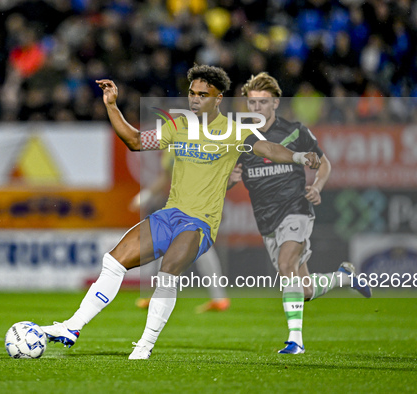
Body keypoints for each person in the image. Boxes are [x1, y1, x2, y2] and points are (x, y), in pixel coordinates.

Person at [40, 65, 320, 360]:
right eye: (191, 93)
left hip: (200, 223)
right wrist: (112, 106)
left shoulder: (236, 132)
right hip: (169, 214)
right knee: (113, 260)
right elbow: (135, 141)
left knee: (168, 272)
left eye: (203, 94)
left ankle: (144, 346)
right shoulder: (178, 127)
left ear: (218, 98)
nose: (195, 99)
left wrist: (300, 156)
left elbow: (269, 149)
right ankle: (72, 327)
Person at [229, 72, 371, 355]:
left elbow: (324, 163)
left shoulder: (295, 131)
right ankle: (345, 276)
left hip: (296, 210)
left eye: (263, 102)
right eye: (252, 102)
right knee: (303, 289)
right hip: (266, 220)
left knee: (285, 265)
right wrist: (230, 178)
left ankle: (296, 340)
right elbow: (224, 180)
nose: (256, 108)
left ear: (276, 103)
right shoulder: (238, 137)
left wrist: (317, 186)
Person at [131, 149, 230, 313]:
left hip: (198, 203)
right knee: (172, 245)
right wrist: (146, 195)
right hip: (179, 204)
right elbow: (165, 177)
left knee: (199, 247)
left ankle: (219, 298)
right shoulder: (171, 151)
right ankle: (218, 298)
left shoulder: (198, 146)